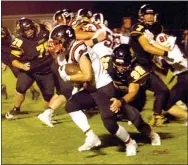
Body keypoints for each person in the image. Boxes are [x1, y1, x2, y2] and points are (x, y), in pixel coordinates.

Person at [49, 24, 138, 156]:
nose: (55, 46)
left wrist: (68, 77)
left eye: (57, 42)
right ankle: (91, 136)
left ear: (66, 40)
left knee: (110, 125)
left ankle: (130, 142)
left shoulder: (78, 48)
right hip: (91, 88)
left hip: (103, 87)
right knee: (71, 105)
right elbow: (79, 78)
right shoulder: (63, 56)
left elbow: (87, 75)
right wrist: (75, 86)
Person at [129, 4, 173, 126]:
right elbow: (147, 47)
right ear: (141, 16)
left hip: (147, 65)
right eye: (147, 14)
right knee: (161, 90)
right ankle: (156, 116)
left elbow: (156, 43)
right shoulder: (137, 27)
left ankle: (139, 116)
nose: (150, 17)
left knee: (142, 96)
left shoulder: (157, 28)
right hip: (136, 65)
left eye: (151, 14)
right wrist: (166, 53)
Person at [5, 18, 54, 119]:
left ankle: (46, 114)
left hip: (46, 69)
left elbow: (54, 35)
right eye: (25, 30)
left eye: (30, 28)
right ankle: (16, 109)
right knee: (20, 89)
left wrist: (52, 29)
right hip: (29, 70)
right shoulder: (18, 41)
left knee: (48, 96)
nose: (29, 31)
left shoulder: (44, 31)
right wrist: (22, 66)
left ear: (34, 26)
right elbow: (13, 60)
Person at [1, 26, 40, 100]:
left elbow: (11, 51)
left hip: (13, 61)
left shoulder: (9, 40)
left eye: (2, 34)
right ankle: (2, 87)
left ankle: (34, 91)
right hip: (7, 60)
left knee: (21, 77)